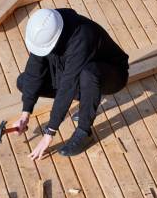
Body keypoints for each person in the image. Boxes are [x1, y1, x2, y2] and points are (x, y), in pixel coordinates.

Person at [13, 8, 129, 159]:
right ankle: (88, 98)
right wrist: (25, 113)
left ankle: (84, 132)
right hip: (73, 70)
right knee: (24, 82)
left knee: (89, 74)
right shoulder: (45, 29)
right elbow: (34, 71)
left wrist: (50, 132)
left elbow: (68, 86)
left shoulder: (82, 38)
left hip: (112, 75)